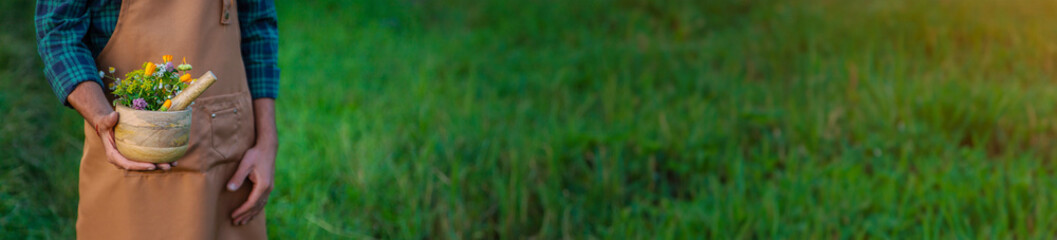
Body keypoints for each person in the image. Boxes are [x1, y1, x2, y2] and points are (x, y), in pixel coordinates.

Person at [35, 0, 279, 238]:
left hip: (226, 160)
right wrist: (101, 118)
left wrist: (267, 142)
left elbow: (257, 25)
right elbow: (59, 30)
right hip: (123, 149)